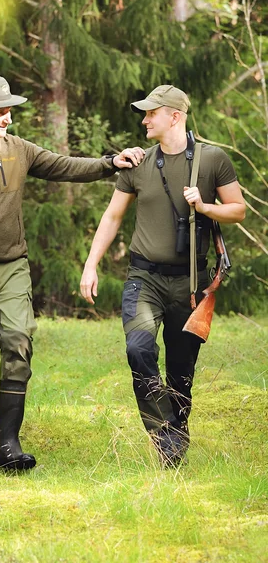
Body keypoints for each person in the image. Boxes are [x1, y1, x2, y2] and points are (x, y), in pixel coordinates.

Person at [0, 73, 145, 470]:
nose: (8, 118)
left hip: (12, 267)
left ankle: (9, 447)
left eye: (9, 110)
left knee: (18, 341)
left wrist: (111, 163)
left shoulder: (18, 149)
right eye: (1, 111)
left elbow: (64, 166)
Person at [80, 85, 246, 467]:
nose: (144, 120)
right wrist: (91, 264)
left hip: (191, 282)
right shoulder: (137, 163)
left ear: (175, 116)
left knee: (181, 373)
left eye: (151, 113)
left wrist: (205, 207)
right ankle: (166, 431)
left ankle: (173, 445)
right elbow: (113, 216)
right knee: (138, 350)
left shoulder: (212, 159)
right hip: (144, 278)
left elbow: (237, 210)